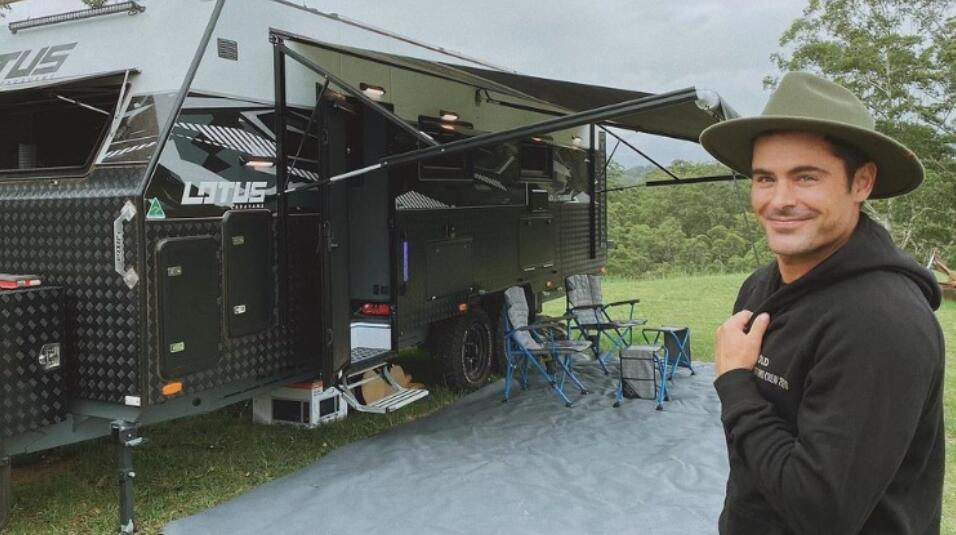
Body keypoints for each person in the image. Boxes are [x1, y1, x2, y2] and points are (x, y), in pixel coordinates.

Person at [698, 72, 944, 534]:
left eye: (806, 177)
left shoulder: (881, 323)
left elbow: (821, 514)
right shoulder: (759, 288)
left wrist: (735, 383)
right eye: (765, 178)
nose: (779, 200)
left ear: (861, 182)